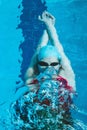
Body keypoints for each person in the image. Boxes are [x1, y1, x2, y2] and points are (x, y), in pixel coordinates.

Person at [24, 11, 76, 91]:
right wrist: (49, 25)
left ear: (60, 64)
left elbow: (56, 44)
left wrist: (49, 25)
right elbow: (40, 48)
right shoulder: (31, 75)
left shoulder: (67, 75)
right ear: (37, 64)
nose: (49, 67)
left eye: (54, 64)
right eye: (43, 64)